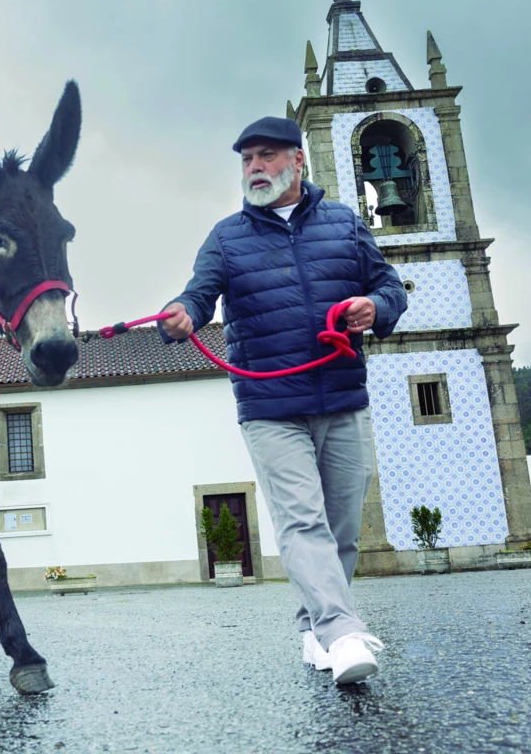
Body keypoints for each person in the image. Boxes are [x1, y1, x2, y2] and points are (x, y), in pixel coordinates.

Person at [159, 116, 408, 685]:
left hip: (342, 397)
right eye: (246, 160)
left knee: (342, 531)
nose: (254, 167)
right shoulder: (226, 238)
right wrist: (181, 315)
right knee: (302, 521)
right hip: (271, 407)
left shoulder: (344, 224)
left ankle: (314, 631)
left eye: (266, 156)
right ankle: (342, 632)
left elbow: (389, 286)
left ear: (298, 161)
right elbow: (198, 295)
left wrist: (376, 307)